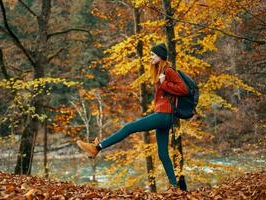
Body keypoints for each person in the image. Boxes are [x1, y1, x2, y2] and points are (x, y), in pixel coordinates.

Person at [77, 43, 188, 187]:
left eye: (152, 55)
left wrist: (164, 83)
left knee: (129, 127)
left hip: (164, 115)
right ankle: (175, 187)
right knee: (163, 154)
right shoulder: (161, 71)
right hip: (163, 115)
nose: (150, 57)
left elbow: (183, 89)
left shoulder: (169, 71)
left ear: (160, 56)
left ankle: (97, 148)